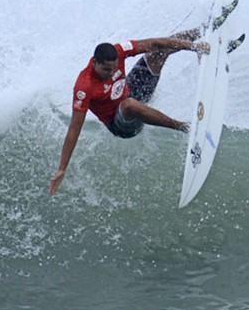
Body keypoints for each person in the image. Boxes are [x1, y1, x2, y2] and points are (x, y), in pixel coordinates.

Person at [48, 28, 209, 196]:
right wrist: (62, 168)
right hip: (121, 125)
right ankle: (185, 128)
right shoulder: (84, 87)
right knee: (129, 105)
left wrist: (192, 47)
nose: (111, 73)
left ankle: (203, 33)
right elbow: (74, 129)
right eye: (106, 70)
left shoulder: (119, 50)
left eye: (114, 68)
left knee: (157, 51)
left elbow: (153, 43)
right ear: (94, 62)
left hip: (131, 92)